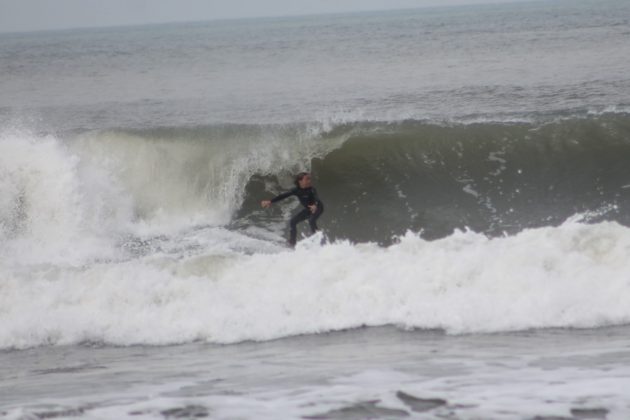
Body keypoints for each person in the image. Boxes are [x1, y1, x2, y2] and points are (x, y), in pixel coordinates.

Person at [261, 172, 324, 247]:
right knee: (293, 222)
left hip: (318, 208)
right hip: (308, 209)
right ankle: (292, 242)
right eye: (307, 179)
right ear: (300, 181)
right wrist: (270, 201)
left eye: (310, 179)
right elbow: (283, 196)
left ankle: (318, 241)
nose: (309, 181)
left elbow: (316, 198)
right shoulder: (296, 190)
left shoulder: (312, 189)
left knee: (311, 220)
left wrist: (315, 205)